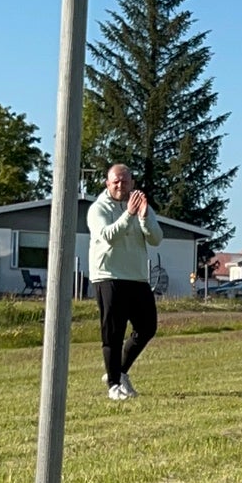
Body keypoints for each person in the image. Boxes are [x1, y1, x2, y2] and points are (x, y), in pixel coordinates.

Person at [87, 163, 163, 402]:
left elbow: (156, 238)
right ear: (107, 183)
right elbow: (108, 236)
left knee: (147, 327)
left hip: (137, 277)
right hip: (108, 276)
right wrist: (128, 214)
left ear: (132, 183)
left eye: (125, 181)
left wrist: (142, 218)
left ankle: (119, 371)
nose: (121, 185)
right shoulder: (97, 209)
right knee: (113, 333)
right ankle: (113, 386)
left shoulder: (140, 205)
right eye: (116, 181)